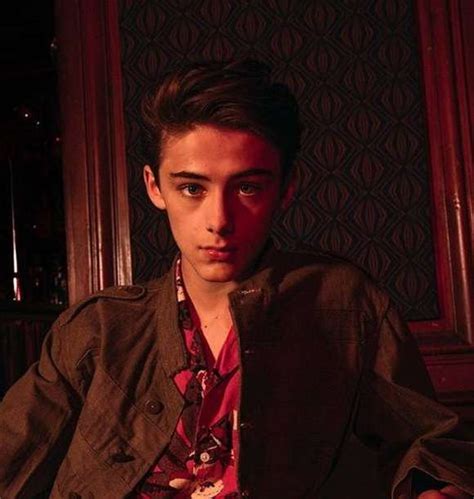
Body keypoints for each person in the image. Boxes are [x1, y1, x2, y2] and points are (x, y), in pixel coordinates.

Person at [0, 60, 473, 499]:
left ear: (285, 188)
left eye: (247, 187)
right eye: (192, 188)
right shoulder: (98, 330)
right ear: (154, 187)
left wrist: (433, 488)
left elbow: (428, 443)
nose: (219, 221)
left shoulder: (344, 303)